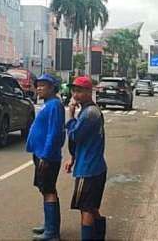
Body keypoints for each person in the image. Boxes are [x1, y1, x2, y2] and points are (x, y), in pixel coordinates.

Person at [65, 76, 107, 241]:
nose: (75, 94)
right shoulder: (89, 111)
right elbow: (82, 142)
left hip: (88, 169)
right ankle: (98, 236)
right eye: (74, 90)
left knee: (86, 209)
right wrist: (73, 159)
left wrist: (70, 115)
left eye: (80, 91)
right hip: (95, 167)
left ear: (89, 92)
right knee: (92, 207)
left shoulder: (89, 113)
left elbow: (75, 135)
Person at [26, 74, 66, 241]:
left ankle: (52, 232)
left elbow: (54, 132)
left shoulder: (55, 105)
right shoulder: (48, 104)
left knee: (49, 190)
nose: (39, 88)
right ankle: (49, 225)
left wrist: (46, 155)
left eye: (44, 85)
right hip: (41, 153)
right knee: (45, 190)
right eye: (38, 85)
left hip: (47, 155)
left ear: (52, 88)